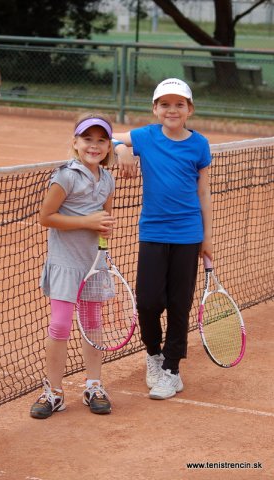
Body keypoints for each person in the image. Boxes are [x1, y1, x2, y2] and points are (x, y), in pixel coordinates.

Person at [113, 78, 213, 400]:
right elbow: (104, 133)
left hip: (188, 235)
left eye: (179, 104)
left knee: (179, 305)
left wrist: (207, 237)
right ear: (155, 109)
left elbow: (203, 191)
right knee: (148, 302)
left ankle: (171, 369)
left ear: (189, 110)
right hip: (153, 233)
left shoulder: (199, 144)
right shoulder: (145, 136)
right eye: (165, 104)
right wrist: (120, 149)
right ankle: (153, 355)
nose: (172, 110)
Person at [30, 113, 116, 419]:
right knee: (61, 325)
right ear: (75, 142)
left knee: (93, 325)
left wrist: (102, 229)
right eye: (87, 139)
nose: (94, 145)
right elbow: (46, 217)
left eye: (101, 140)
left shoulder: (107, 179)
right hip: (65, 263)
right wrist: (86, 221)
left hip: (92, 264)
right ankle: (53, 391)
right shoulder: (65, 176)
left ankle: (94, 385)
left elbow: (103, 219)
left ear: (108, 146)